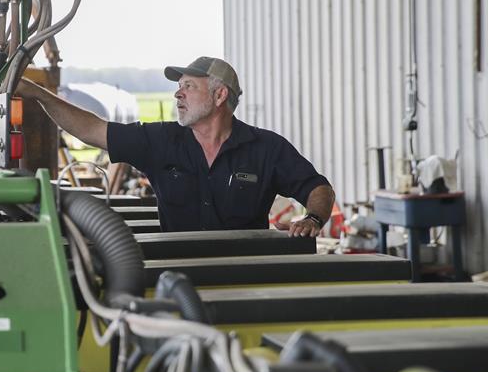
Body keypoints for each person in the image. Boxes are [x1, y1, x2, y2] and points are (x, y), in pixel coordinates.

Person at [17, 56, 335, 237]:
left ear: (220, 95)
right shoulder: (160, 141)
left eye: (188, 87)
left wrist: (314, 219)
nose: (177, 95)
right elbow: (92, 129)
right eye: (178, 87)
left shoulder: (266, 148)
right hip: (178, 275)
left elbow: (317, 187)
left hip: (246, 273)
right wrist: (39, 95)